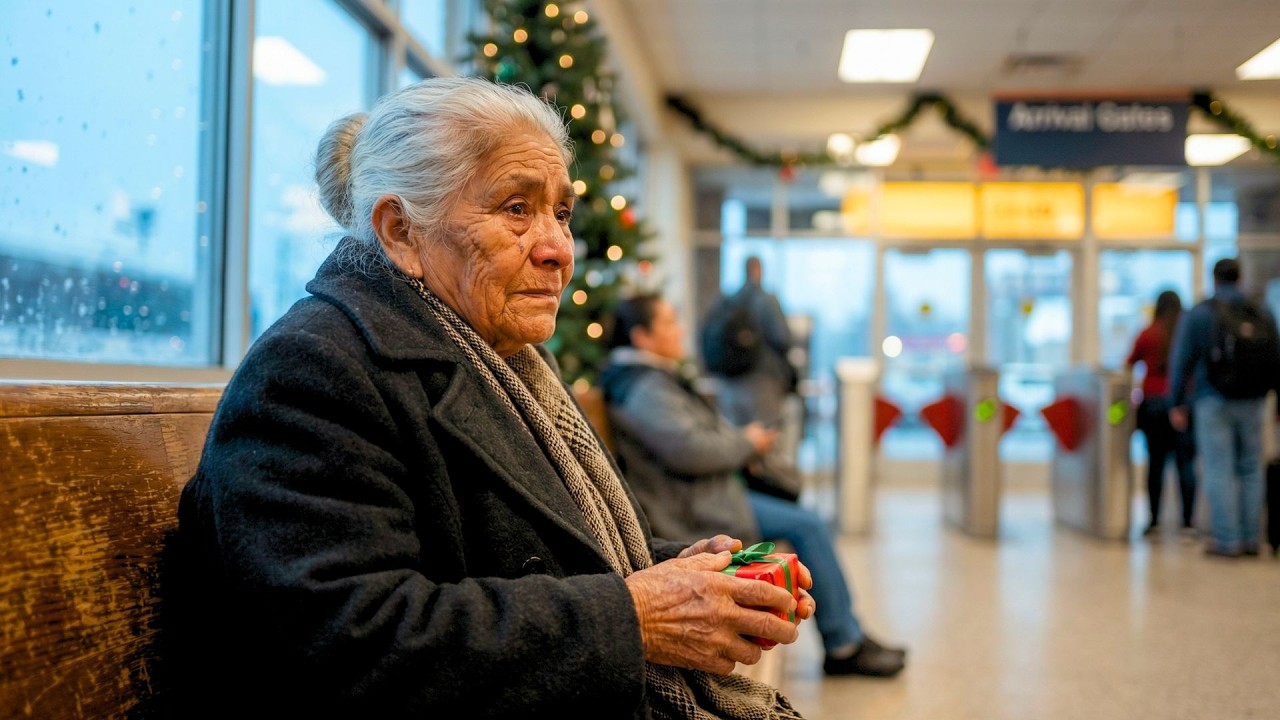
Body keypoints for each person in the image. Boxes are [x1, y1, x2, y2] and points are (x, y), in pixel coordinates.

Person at [168, 76, 818, 719]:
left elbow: (559, 556)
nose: (558, 249)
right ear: (400, 231)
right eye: (516, 209)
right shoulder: (314, 368)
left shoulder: (514, 362)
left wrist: (684, 575)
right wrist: (636, 617)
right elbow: (348, 646)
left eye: (561, 213)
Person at [602, 292, 908, 679]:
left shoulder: (652, 379)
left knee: (801, 517)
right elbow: (691, 450)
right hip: (693, 506)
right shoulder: (644, 388)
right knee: (808, 525)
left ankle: (845, 635)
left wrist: (743, 440)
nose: (681, 329)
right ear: (641, 337)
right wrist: (747, 442)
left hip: (707, 493)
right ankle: (844, 644)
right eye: (669, 322)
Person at [1168, 258, 1280, 558]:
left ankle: (1227, 541)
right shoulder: (1260, 311)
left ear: (1214, 278)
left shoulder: (1201, 313)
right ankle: (1251, 539)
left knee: (1219, 468)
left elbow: (1182, 359)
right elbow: (1276, 356)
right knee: (1251, 467)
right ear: (1240, 278)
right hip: (1254, 401)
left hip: (1212, 399)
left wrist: (1176, 402)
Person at [1125, 289, 1197, 537]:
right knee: (1184, 464)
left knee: (1155, 464)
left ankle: (1154, 520)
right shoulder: (1185, 333)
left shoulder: (1148, 333)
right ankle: (1187, 523)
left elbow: (1128, 363)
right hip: (1181, 405)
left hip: (1153, 405)